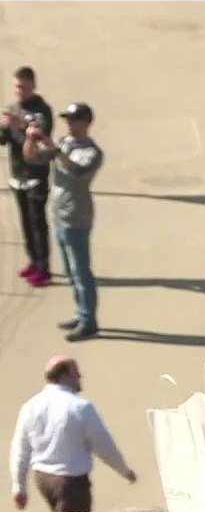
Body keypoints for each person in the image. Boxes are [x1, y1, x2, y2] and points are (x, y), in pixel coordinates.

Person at [9, 355, 137, 512]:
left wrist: (19, 486)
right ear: (63, 375)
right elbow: (104, 445)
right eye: (75, 372)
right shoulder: (80, 407)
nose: (79, 376)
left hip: (42, 478)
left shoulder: (30, 406)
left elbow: (20, 448)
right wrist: (124, 471)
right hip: (70, 482)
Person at [23, 102, 105, 342]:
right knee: (71, 273)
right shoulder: (65, 143)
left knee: (82, 274)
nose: (68, 124)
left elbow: (77, 171)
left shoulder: (92, 152)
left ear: (86, 122)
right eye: (67, 119)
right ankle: (81, 314)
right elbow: (34, 158)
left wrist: (57, 150)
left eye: (73, 119)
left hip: (77, 218)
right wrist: (31, 138)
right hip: (59, 215)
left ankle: (89, 322)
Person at [0, 66, 54, 287]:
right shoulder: (12, 109)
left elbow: (40, 137)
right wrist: (3, 128)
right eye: (15, 86)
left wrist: (21, 125)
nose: (18, 91)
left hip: (36, 174)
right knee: (25, 221)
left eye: (22, 86)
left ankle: (44, 267)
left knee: (37, 221)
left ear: (33, 85)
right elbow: (4, 141)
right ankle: (32, 260)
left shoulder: (41, 110)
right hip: (17, 174)